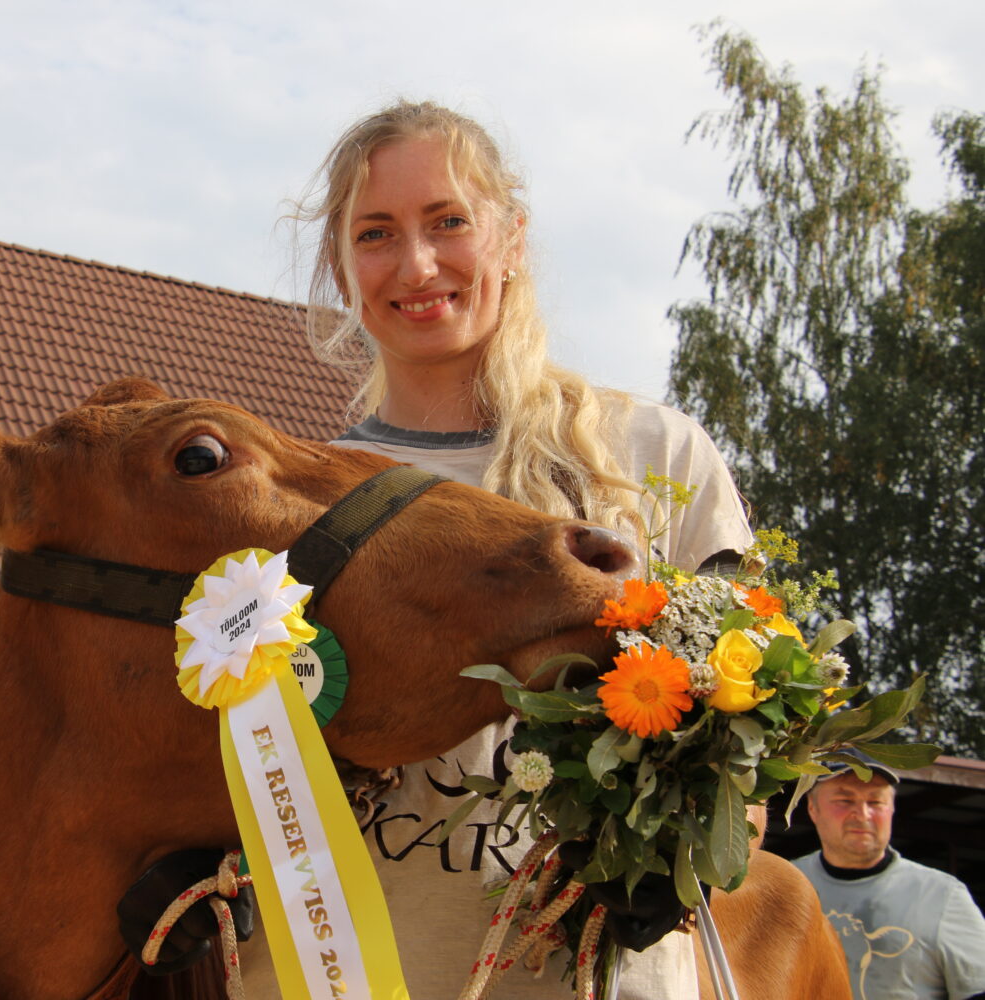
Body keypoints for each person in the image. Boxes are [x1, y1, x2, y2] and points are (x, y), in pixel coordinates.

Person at [126, 101, 756, 996]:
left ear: (512, 238)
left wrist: (686, 847)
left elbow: (758, 735)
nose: (416, 265)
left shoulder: (651, 458)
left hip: (591, 977)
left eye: (448, 222)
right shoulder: (287, 508)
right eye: (376, 233)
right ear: (343, 272)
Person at [793, 756, 985, 1000]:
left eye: (875, 802)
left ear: (892, 809)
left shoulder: (941, 896)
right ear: (813, 808)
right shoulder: (784, 887)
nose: (862, 814)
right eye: (844, 800)